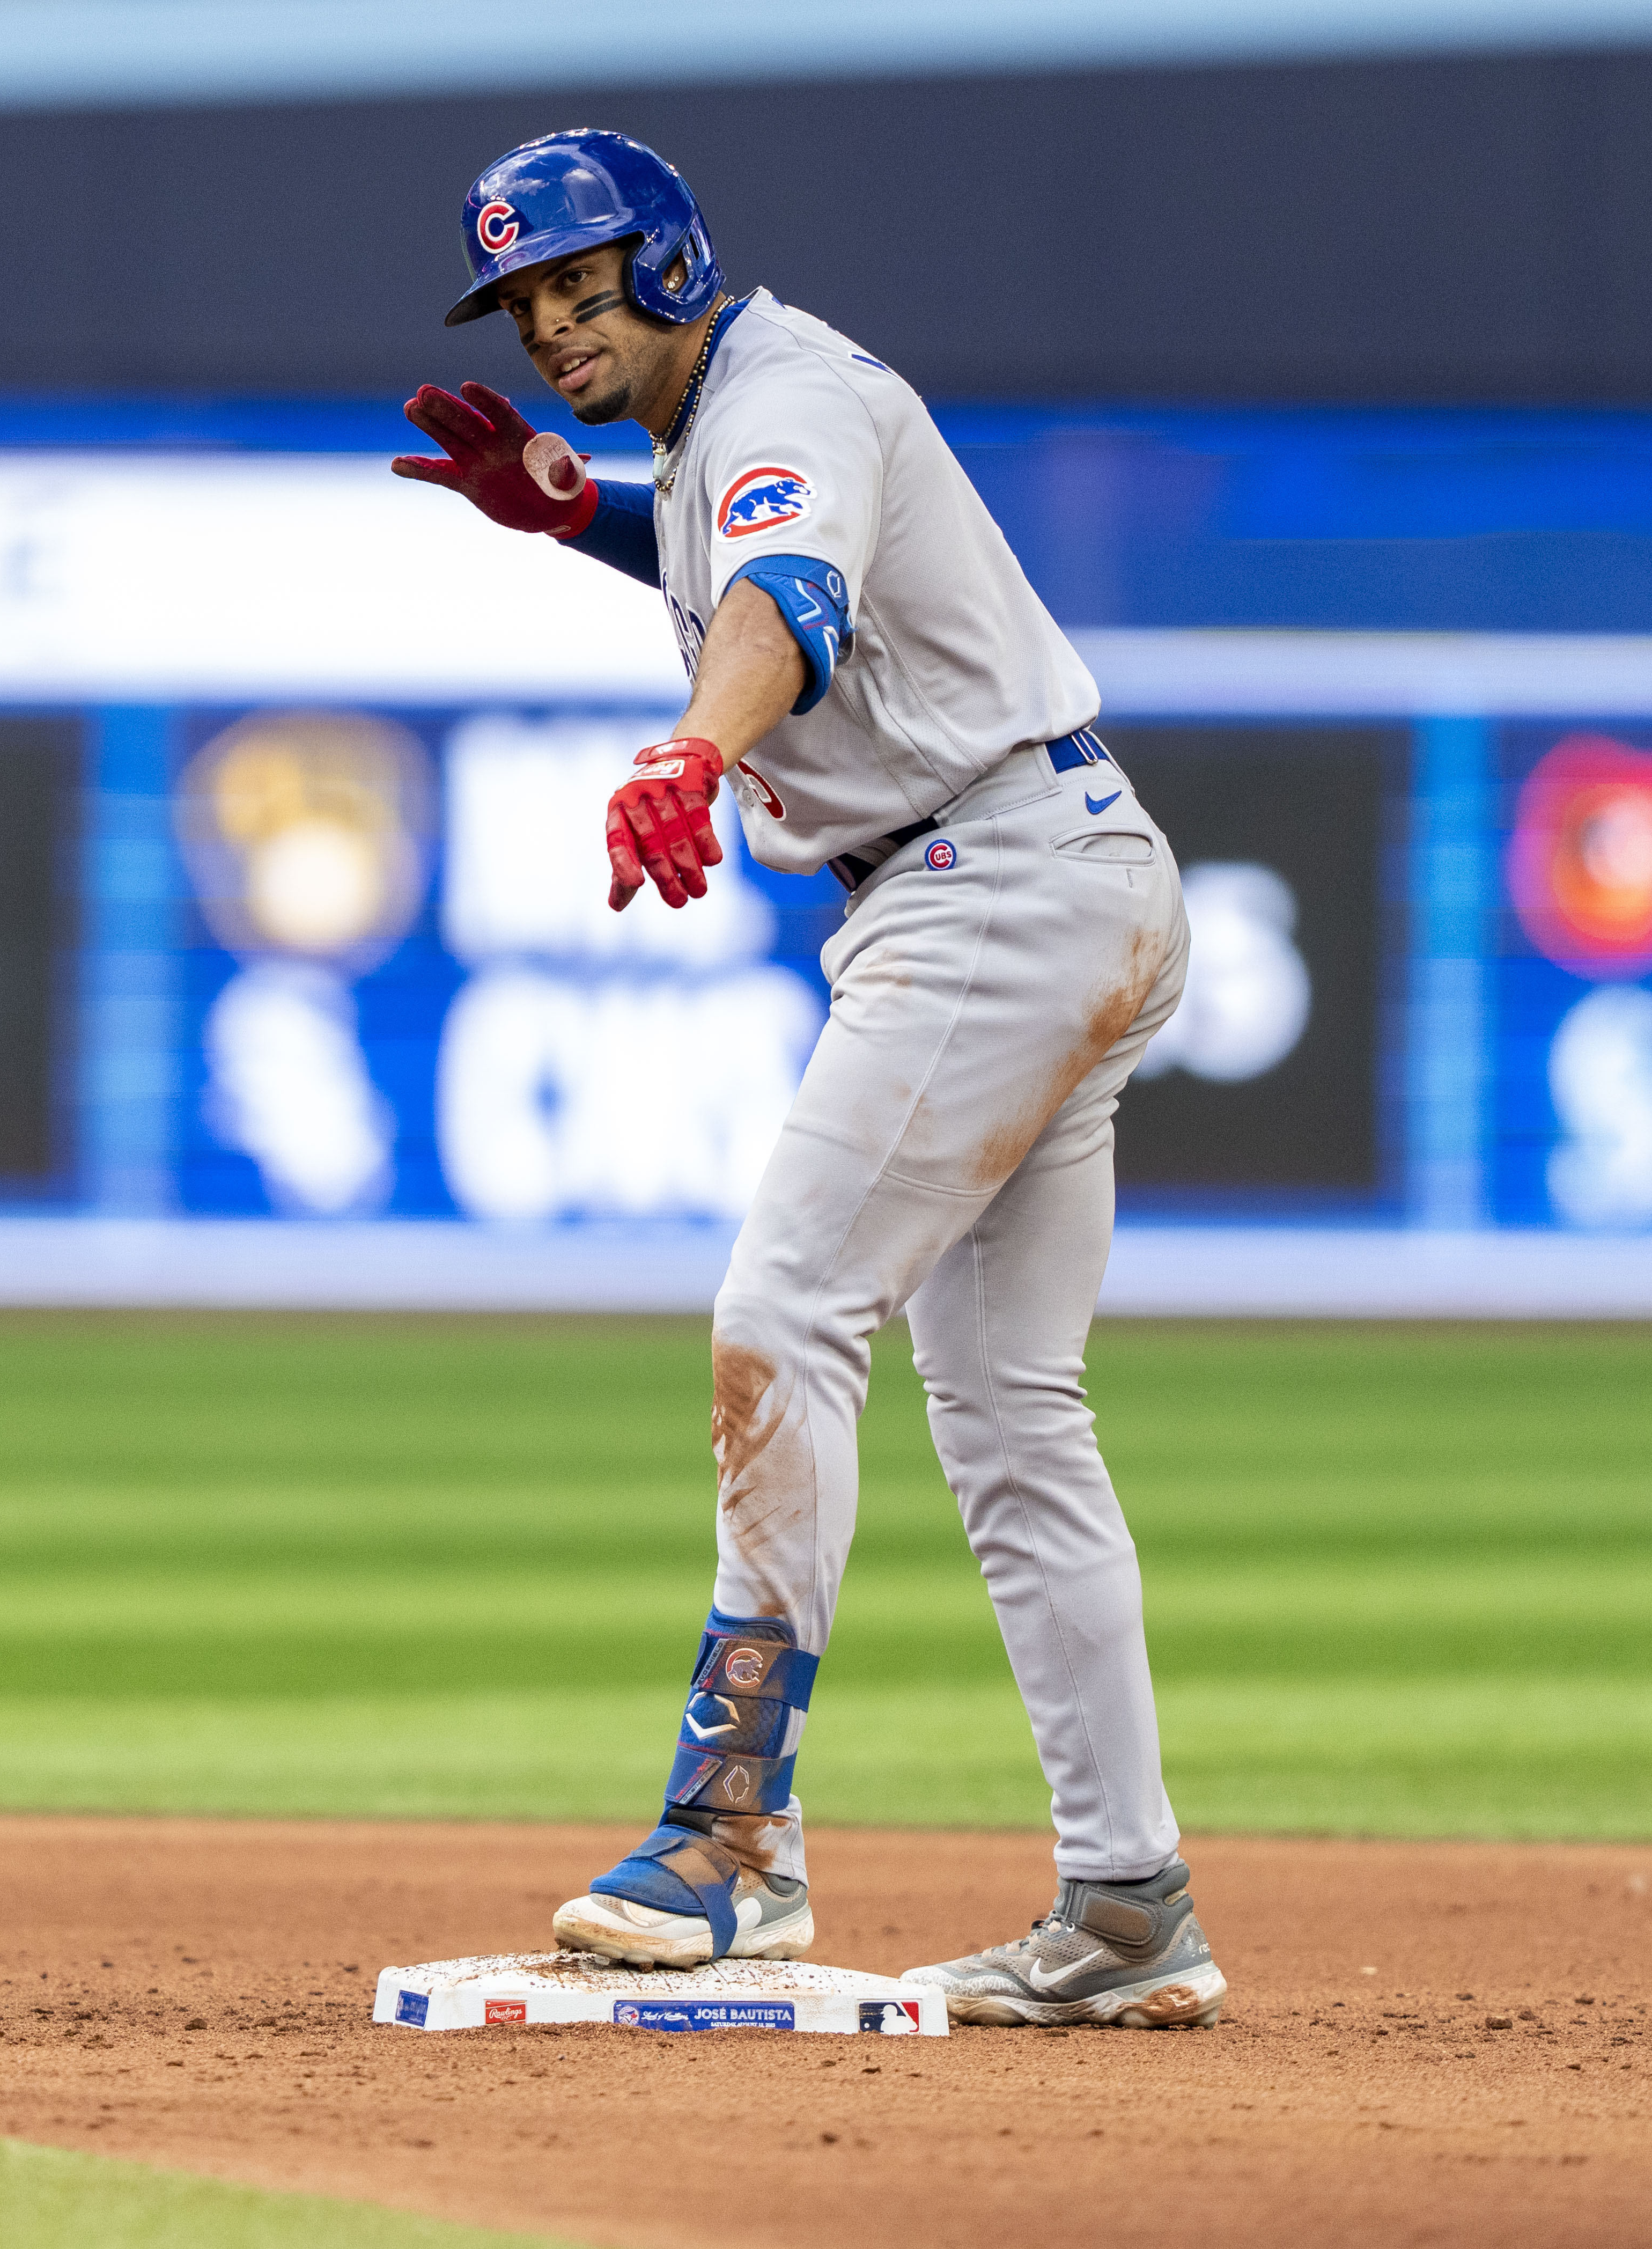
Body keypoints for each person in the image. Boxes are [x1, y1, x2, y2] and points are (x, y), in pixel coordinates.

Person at [389, 128, 1223, 2031]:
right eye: (522, 298)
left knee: (783, 1311)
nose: (547, 322)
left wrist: (690, 751)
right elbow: (730, 543)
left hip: (982, 883)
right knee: (1011, 1420)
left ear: (670, 263)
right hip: (1050, 860)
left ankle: (731, 1843)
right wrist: (575, 510)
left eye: (579, 283)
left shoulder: (785, 400)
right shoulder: (715, 430)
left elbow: (788, 599)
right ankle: (1126, 1904)